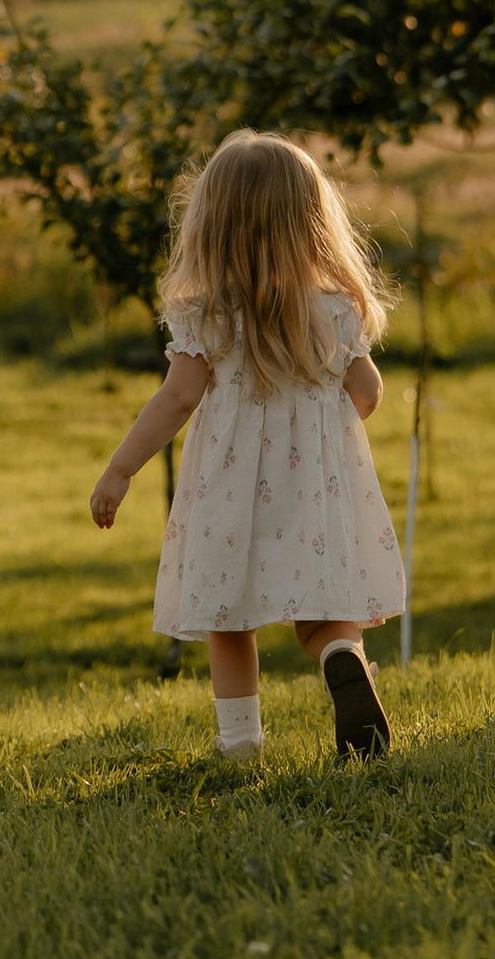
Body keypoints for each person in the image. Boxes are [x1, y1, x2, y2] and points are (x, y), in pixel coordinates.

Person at [89, 129, 405, 760]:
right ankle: (342, 657)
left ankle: (240, 743)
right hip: (316, 482)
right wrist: (327, 438)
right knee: (325, 607)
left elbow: (176, 399)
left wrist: (120, 470)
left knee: (227, 611)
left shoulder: (206, 311)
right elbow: (367, 390)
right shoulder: (334, 307)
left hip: (229, 489)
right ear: (311, 220)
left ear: (212, 224)